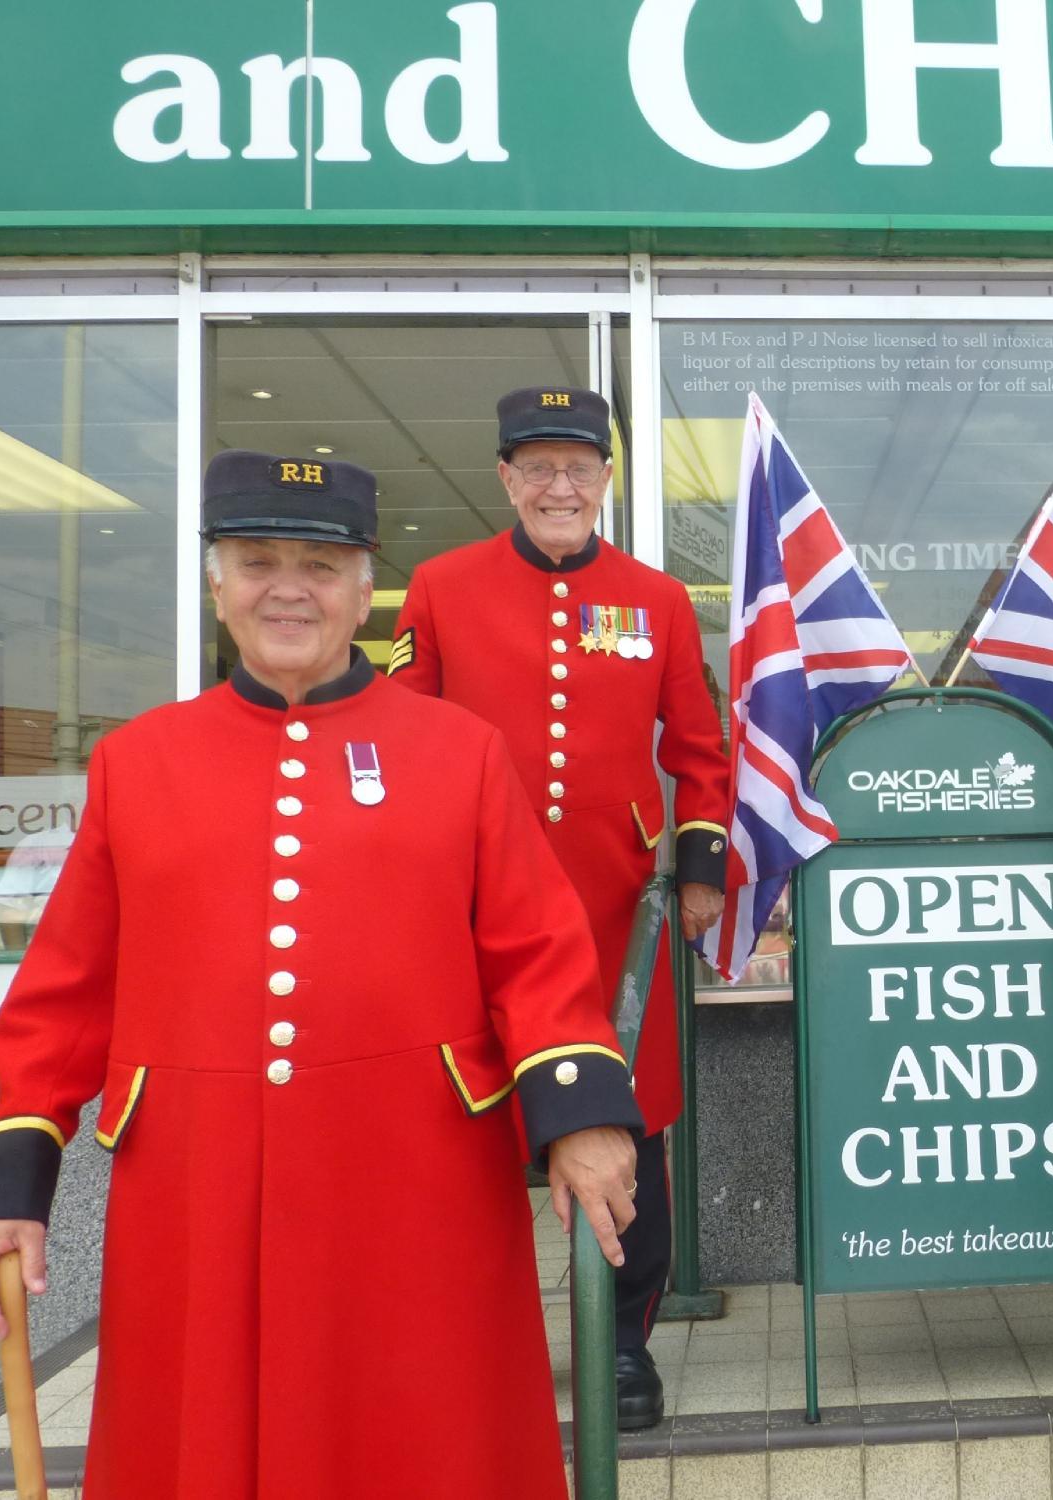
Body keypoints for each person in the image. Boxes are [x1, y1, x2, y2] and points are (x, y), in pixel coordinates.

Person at [0, 452, 642, 1500]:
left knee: (424, 1434)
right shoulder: (140, 761)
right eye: (257, 560)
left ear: (367, 590)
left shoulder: (460, 752)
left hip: (415, 1181)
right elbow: (65, 987)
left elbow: (537, 952)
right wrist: (9, 1177)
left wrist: (583, 1116)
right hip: (197, 1182)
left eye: (320, 565)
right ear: (218, 584)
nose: (288, 588)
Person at [387, 387, 728, 1429]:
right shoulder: (440, 588)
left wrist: (701, 860)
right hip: (470, 910)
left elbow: (697, 751)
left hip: (616, 912)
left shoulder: (657, 599)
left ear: (606, 479)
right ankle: (469, 1337)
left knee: (633, 1123)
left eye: (577, 466)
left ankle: (623, 1345)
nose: (558, 485)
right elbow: (399, 735)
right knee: (470, 1127)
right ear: (503, 478)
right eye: (535, 466)